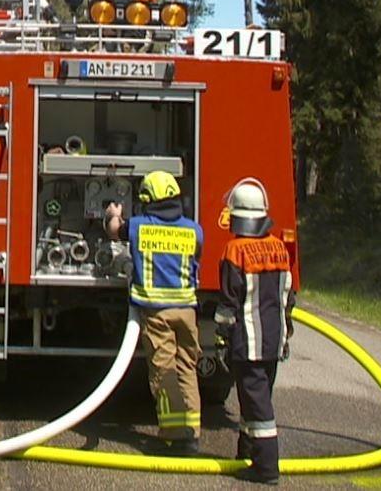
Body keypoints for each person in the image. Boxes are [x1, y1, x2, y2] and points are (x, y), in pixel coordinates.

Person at [105, 169, 203, 453]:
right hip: (187, 311)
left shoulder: (138, 226)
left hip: (156, 313)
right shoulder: (194, 230)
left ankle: (173, 435)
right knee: (187, 368)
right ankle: (193, 432)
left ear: (147, 199)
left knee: (164, 371)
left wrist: (113, 212)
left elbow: (114, 230)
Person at [213, 178, 295, 485]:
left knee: (259, 408)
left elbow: (227, 304)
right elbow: (288, 298)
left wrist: (221, 337)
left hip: (247, 344)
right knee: (253, 402)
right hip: (274, 342)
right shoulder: (278, 248)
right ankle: (246, 453)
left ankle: (266, 469)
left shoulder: (235, 251)